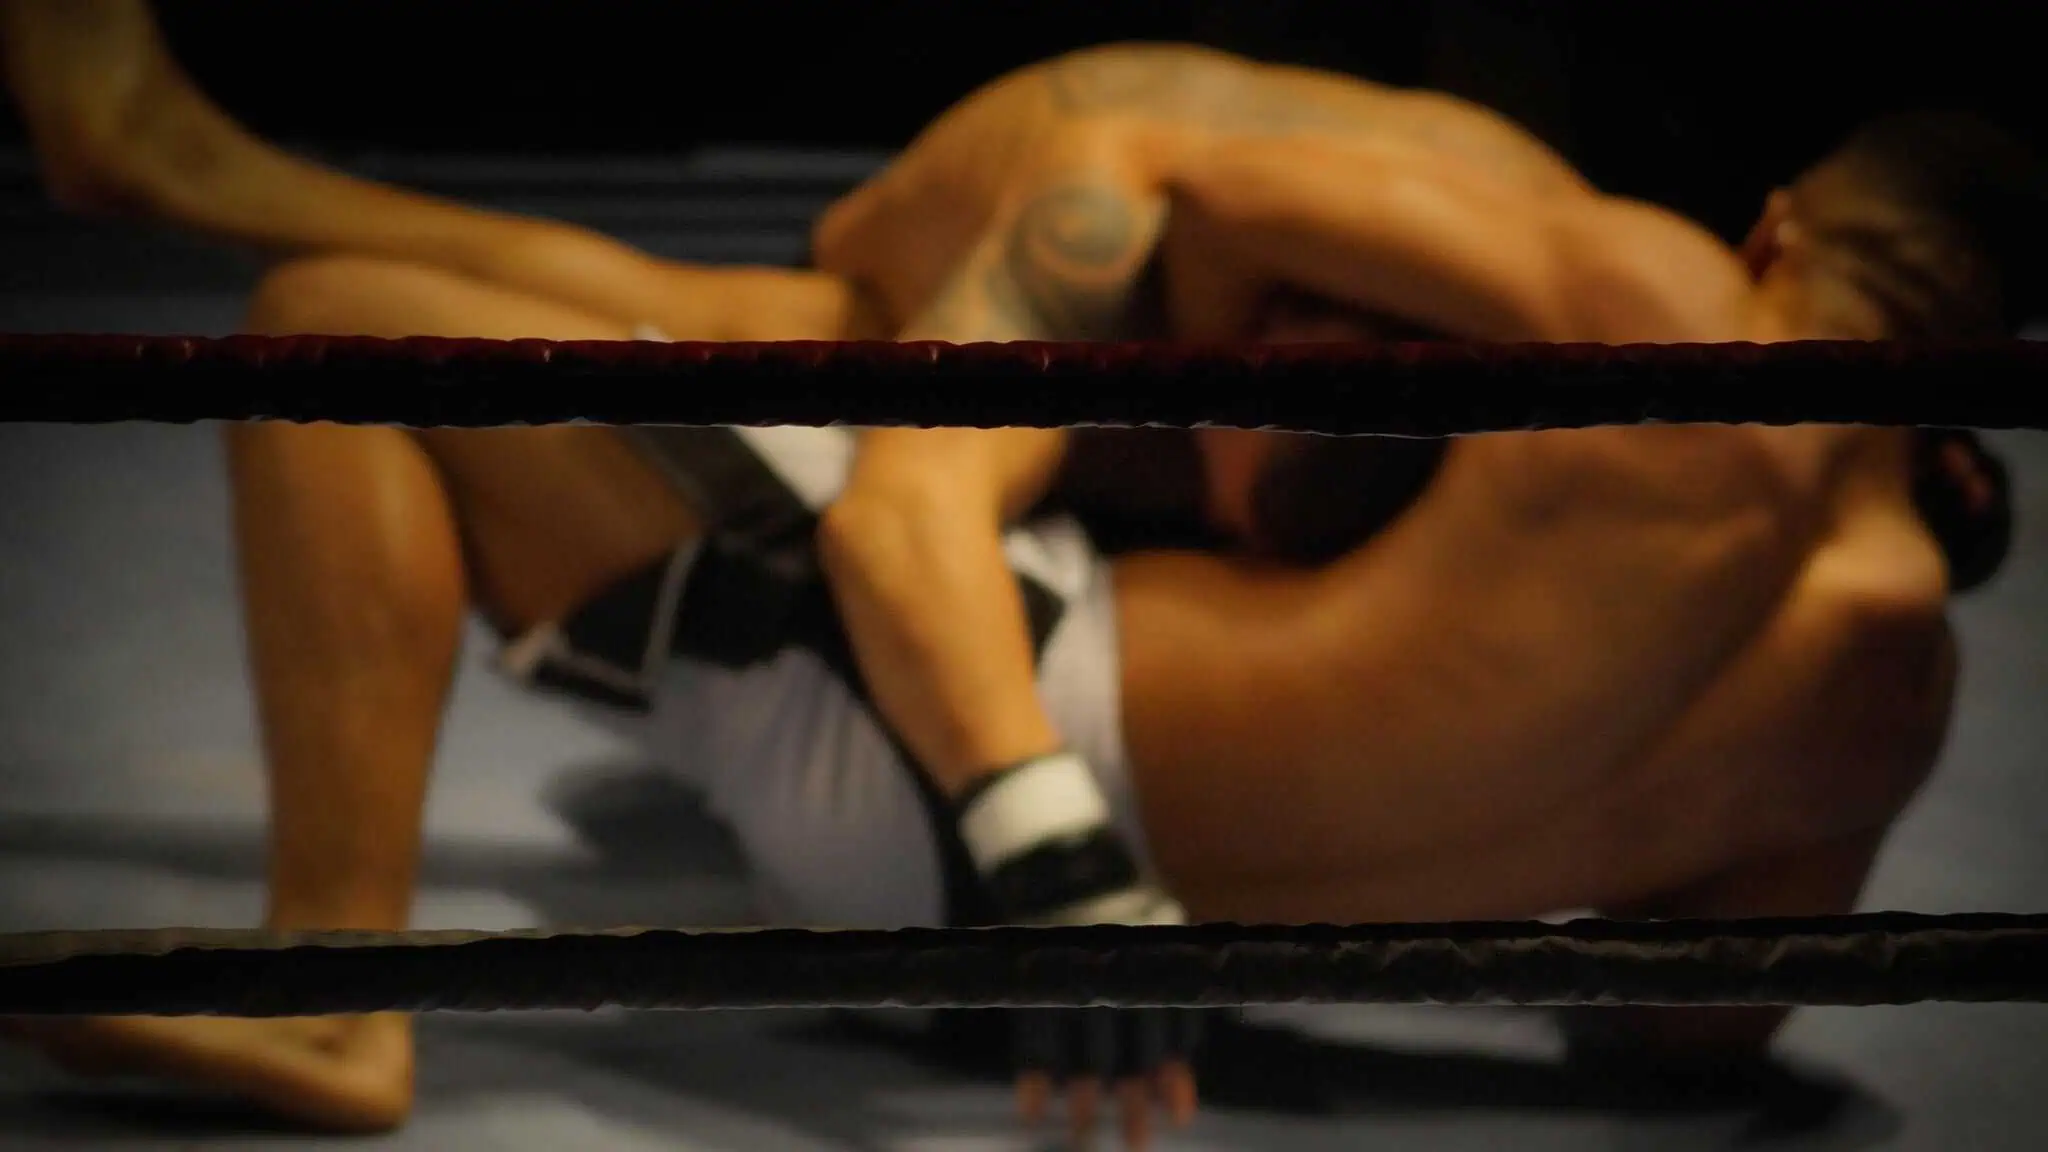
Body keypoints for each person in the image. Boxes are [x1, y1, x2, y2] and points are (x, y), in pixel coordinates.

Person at [1, 2, 2031, 1147]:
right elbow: (1695, 1039)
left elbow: (1139, 260)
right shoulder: (1897, 690)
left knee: (336, 331)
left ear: (1778, 227)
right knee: (794, 344)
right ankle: (180, 166)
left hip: (976, 790)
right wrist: (1505, 755)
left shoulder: (1649, 298)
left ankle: (331, 996)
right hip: (1129, 957)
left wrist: (1059, 850)